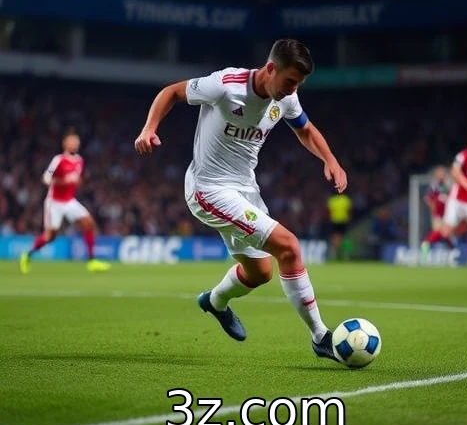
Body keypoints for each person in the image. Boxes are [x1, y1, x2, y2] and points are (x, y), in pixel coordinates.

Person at [134, 39, 347, 362]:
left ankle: (215, 302)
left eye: (298, 84)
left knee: (260, 272)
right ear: (271, 68)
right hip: (209, 189)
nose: (293, 90)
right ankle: (321, 336)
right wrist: (149, 128)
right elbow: (172, 92)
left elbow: (305, 129)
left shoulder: (286, 98)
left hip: (246, 189)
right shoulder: (225, 85)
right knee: (288, 246)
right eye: (290, 81)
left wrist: (330, 160)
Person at [19, 129, 111, 274]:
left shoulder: (79, 161)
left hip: (69, 201)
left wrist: (78, 182)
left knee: (89, 223)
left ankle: (92, 261)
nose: (75, 144)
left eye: (77, 141)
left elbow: (77, 180)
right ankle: (27, 255)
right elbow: (46, 177)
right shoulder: (59, 160)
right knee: (50, 237)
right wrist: (61, 181)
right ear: (65, 143)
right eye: (72, 141)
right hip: (54, 202)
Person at [421, 126, 467, 270]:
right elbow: (454, 171)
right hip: (456, 200)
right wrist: (464, 181)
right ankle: (426, 243)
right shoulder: (464, 155)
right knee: (446, 232)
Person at [326, 190, 352, 260]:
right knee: (345, 238)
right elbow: (349, 210)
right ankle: (345, 255)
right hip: (344, 220)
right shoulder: (345, 199)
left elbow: (329, 211)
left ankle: (334, 254)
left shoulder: (332, 200)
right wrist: (349, 219)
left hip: (334, 221)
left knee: (335, 238)